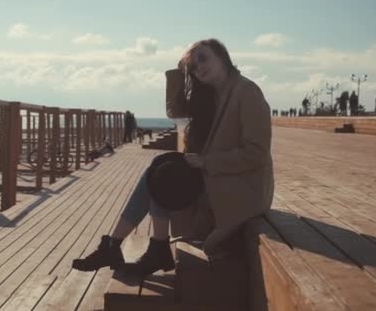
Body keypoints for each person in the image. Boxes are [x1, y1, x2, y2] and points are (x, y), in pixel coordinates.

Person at [72, 38, 274, 276]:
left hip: (242, 187)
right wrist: (180, 71)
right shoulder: (210, 95)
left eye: (203, 58)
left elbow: (257, 154)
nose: (199, 67)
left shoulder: (246, 92)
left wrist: (206, 162)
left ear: (223, 56)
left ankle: (129, 247)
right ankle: (120, 246)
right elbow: (174, 111)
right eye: (193, 67)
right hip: (220, 177)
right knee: (160, 167)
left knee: (166, 175)